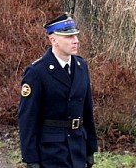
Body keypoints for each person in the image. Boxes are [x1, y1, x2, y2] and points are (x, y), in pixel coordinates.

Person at [18, 13, 98, 168]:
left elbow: (87, 110)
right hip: (51, 150)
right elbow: (27, 118)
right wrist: (31, 158)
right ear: (53, 40)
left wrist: (90, 148)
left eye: (76, 36)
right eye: (69, 37)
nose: (76, 41)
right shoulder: (37, 72)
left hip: (78, 145)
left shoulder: (81, 67)